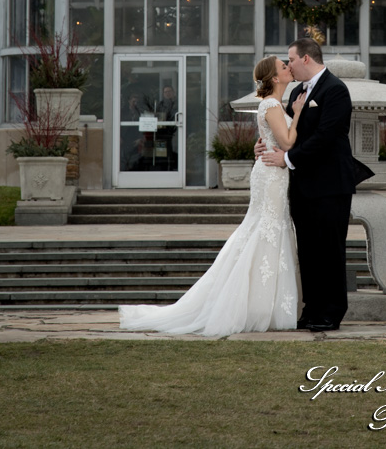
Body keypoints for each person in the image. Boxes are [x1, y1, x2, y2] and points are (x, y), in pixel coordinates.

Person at [119, 56, 305, 337]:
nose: (288, 67)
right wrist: (300, 112)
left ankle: (263, 303)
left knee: (267, 229)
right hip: (270, 176)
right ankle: (253, 305)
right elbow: (289, 141)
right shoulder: (271, 104)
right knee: (266, 230)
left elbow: (274, 140)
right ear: (275, 78)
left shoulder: (274, 105)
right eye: (283, 66)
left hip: (272, 172)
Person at [258, 37, 372, 332]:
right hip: (302, 187)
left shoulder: (335, 90)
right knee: (307, 251)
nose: (289, 65)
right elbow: (287, 135)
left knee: (329, 249)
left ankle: (331, 312)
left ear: (305, 59)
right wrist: (264, 147)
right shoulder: (298, 91)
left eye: (291, 59)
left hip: (331, 185)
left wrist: (288, 159)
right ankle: (312, 309)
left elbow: (326, 136)